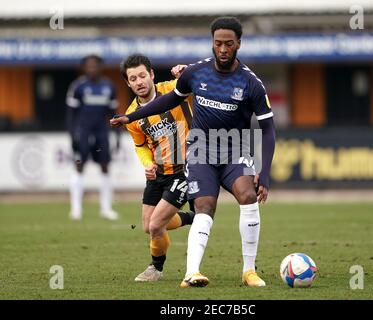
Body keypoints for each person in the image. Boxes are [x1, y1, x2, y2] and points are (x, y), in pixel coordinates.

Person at [111, 17, 276, 288]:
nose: (223, 49)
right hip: (199, 150)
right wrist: (131, 117)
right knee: (203, 206)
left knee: (248, 196)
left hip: (235, 149)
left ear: (238, 44)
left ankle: (249, 271)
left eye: (229, 44)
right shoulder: (196, 73)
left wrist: (265, 175)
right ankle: (192, 272)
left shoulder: (251, 83)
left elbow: (268, 129)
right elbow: (167, 100)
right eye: (218, 43)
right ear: (212, 43)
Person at [120, 54, 195, 281]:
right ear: (128, 83)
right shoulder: (132, 115)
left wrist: (187, 71)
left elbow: (205, 80)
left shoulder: (174, 89)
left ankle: (156, 269)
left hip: (184, 170)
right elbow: (140, 146)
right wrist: (148, 163)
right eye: (133, 78)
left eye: (142, 75)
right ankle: (192, 217)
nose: (139, 81)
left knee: (155, 225)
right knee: (148, 226)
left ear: (151, 75)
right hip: (157, 174)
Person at [66, 54, 119, 220]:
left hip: (101, 132)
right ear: (84, 68)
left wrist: (117, 136)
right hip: (83, 132)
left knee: (105, 167)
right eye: (88, 66)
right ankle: (76, 209)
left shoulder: (109, 86)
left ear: (100, 67)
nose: (92, 69)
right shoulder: (78, 86)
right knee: (79, 165)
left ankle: (106, 208)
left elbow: (114, 113)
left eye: (95, 65)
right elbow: (70, 113)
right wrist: (71, 135)